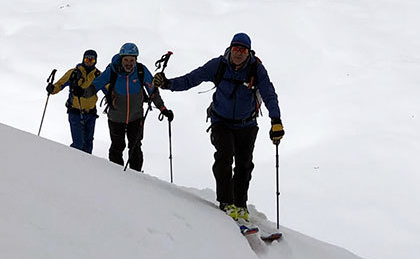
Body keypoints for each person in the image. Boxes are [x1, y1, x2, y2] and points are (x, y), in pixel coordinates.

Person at [152, 33, 284, 221]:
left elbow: (269, 93)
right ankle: (226, 202)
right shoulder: (218, 65)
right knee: (224, 158)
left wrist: (276, 120)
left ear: (248, 52)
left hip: (247, 124)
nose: (239, 53)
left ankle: (240, 205)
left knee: (244, 165)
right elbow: (192, 78)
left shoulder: (256, 69)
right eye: (236, 49)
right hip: (221, 122)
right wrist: (168, 84)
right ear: (230, 49)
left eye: (243, 50)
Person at [72, 43, 174, 171]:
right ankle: (117, 176)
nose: (129, 63)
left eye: (132, 60)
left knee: (135, 147)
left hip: (136, 117)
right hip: (116, 117)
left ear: (136, 60)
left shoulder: (141, 71)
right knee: (117, 146)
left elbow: (152, 91)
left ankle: (136, 177)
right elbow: (95, 86)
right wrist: (82, 92)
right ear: (121, 59)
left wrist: (163, 109)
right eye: (126, 59)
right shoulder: (112, 71)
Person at [46, 49, 102, 153]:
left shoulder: (98, 75)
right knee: (78, 144)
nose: (89, 61)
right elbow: (60, 84)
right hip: (75, 113)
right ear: (83, 59)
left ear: (95, 61)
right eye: (87, 59)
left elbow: (108, 88)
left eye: (92, 60)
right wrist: (52, 89)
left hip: (91, 114)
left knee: (88, 144)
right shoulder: (73, 73)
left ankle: (85, 167)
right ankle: (72, 163)